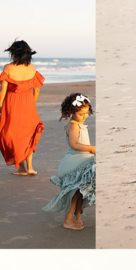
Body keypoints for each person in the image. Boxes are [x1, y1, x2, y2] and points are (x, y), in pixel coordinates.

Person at [43, 92, 96, 230]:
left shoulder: (80, 124)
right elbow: (74, 144)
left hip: (83, 160)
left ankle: (78, 216)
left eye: (86, 113)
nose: (84, 116)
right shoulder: (73, 126)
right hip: (74, 163)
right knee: (75, 192)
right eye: (81, 114)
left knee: (81, 191)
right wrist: (91, 148)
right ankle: (68, 220)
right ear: (72, 112)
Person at [0, 40, 44, 175]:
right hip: (28, 103)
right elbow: (37, 90)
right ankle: (27, 167)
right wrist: (30, 104)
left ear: (14, 53)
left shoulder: (8, 68)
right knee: (28, 134)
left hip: (11, 104)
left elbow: (2, 90)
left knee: (11, 135)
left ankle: (22, 166)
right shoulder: (32, 68)